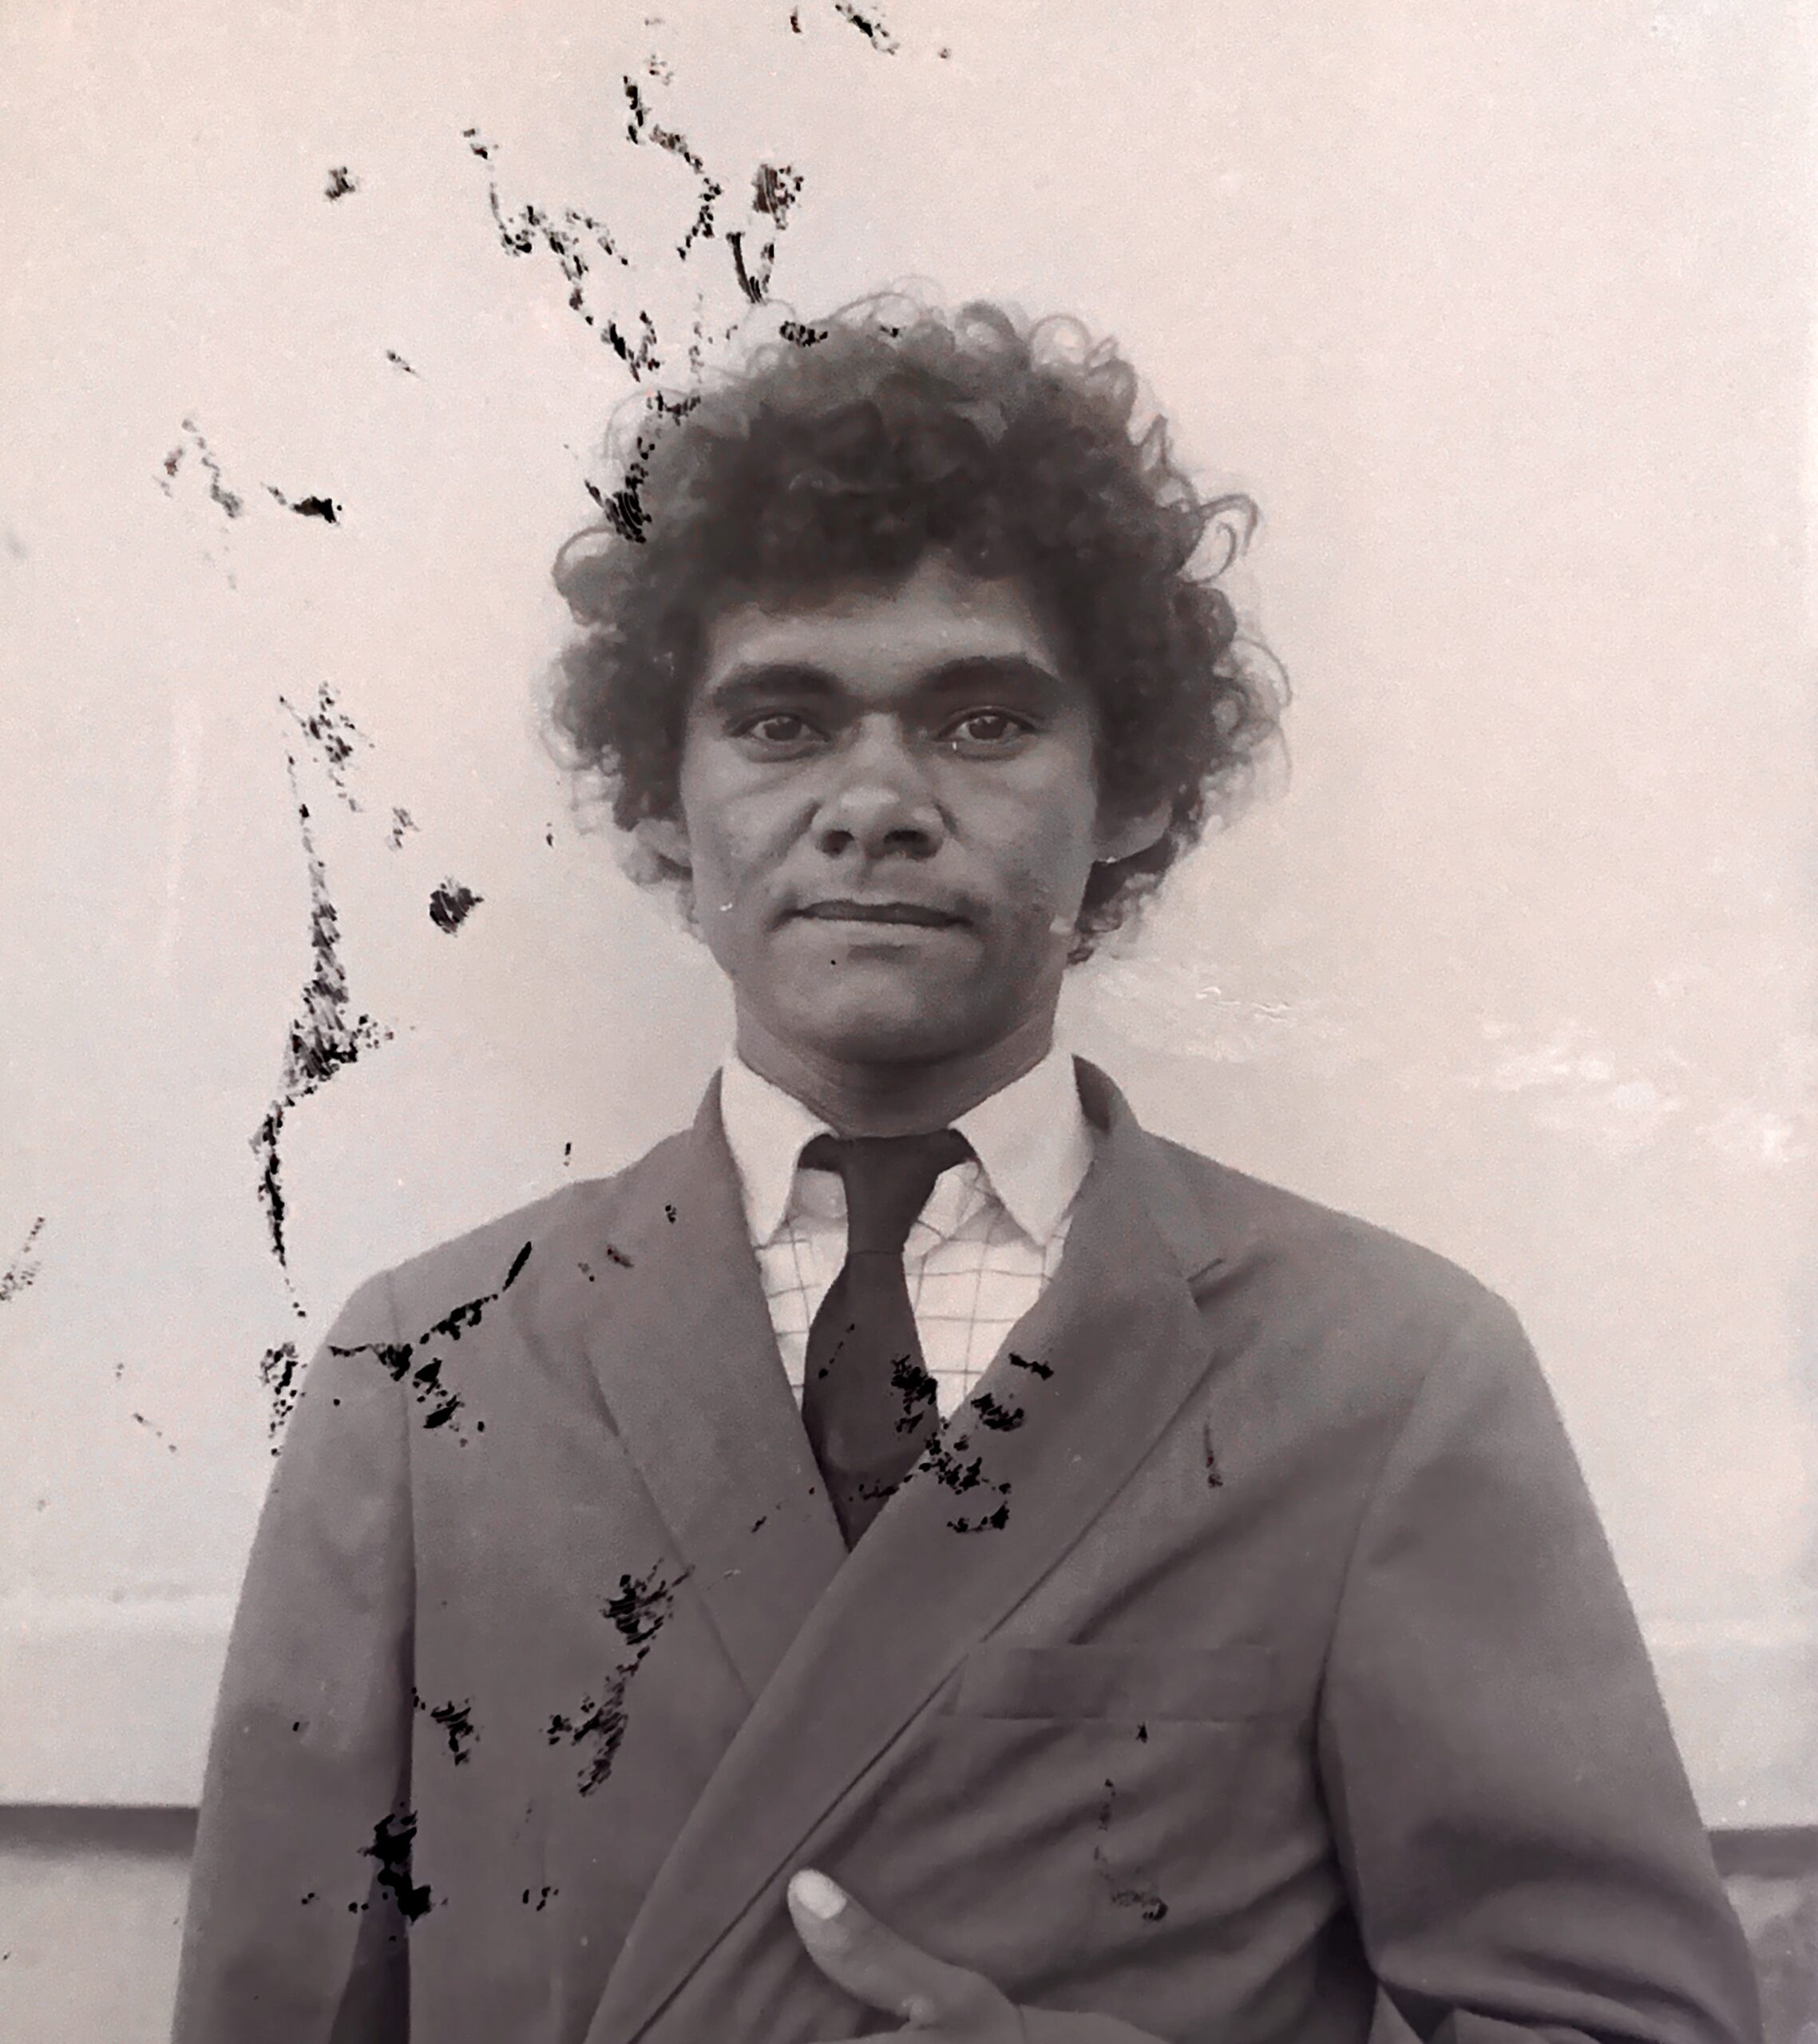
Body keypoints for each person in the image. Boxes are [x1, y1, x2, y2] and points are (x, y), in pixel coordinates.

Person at [172, 298, 1761, 2044]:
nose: (875, 800)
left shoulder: (1383, 1372)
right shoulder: (428, 1374)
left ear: (1131, 789)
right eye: (781, 722)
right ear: (661, 801)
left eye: (984, 720)